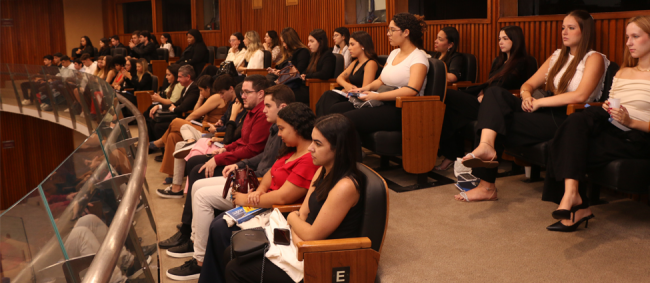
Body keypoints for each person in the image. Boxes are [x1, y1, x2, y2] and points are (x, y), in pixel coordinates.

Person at [457, 10, 610, 202]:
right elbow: (527, 84)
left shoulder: (594, 58)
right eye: (563, 27)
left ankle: (487, 186)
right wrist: (527, 95)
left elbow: (580, 95)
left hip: (568, 118)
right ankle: (486, 146)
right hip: (543, 110)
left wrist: (539, 102)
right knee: (495, 94)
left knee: (494, 122)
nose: (564, 32)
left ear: (585, 32)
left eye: (571, 28)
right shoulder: (557, 56)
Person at [165, 93, 308, 281]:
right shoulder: (290, 148)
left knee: (217, 222)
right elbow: (270, 172)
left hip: (275, 211)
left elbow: (283, 197)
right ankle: (192, 244)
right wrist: (258, 190)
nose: (279, 133)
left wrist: (247, 198)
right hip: (261, 194)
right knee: (200, 184)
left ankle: (201, 263)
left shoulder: (305, 158)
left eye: (282, 129)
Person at [214, 113, 365, 282]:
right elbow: (304, 214)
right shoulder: (323, 170)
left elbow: (311, 234)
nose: (310, 148)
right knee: (231, 252)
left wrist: (293, 219)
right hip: (302, 245)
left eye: (318, 143)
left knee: (236, 270)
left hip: (321, 259)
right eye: (312, 141)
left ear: (339, 148)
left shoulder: (345, 186)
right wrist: (298, 223)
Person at [542, 15, 650, 232]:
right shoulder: (623, 71)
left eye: (635, 37)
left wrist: (631, 121)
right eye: (627, 37)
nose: (628, 42)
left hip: (638, 135)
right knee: (577, 121)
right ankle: (573, 196)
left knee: (564, 144)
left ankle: (576, 204)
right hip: (612, 126)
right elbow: (610, 104)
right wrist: (610, 112)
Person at [158, 75, 271, 251]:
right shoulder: (251, 111)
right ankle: (188, 226)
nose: (243, 96)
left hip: (247, 166)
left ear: (261, 94)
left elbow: (252, 150)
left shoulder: (262, 114)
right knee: (194, 161)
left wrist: (219, 157)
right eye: (242, 92)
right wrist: (225, 149)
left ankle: (188, 232)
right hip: (239, 158)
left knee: (197, 170)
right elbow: (241, 141)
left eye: (247, 92)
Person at [435, 25, 537, 170]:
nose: (500, 42)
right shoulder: (499, 61)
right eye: (499, 39)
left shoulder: (524, 61)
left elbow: (521, 87)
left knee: (450, 97)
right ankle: (453, 155)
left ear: (516, 40)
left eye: (505, 39)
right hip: (483, 100)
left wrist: (489, 95)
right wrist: (483, 93)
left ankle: (457, 157)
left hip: (499, 106)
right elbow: (489, 83)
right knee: (447, 104)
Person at [331, 13, 429, 137]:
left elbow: (412, 90)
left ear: (406, 32)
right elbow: (381, 80)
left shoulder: (418, 57)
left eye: (392, 30)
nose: (388, 34)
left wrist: (377, 96)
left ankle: (350, 154)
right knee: (335, 110)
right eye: (388, 30)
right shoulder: (394, 53)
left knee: (347, 119)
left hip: (402, 108)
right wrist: (365, 89)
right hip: (383, 102)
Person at [154, 75, 228, 189]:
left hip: (208, 131)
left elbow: (194, 115)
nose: (201, 93)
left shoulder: (216, 97)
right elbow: (195, 112)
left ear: (208, 88)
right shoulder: (208, 98)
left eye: (201, 90)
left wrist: (184, 123)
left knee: (176, 122)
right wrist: (200, 98)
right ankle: (172, 175)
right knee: (173, 136)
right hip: (203, 127)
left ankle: (159, 143)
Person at [315, 30, 381, 116]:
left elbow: (364, 91)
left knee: (331, 103)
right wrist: (347, 86)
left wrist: (348, 90)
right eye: (349, 44)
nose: (349, 48)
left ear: (363, 45)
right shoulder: (355, 62)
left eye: (352, 44)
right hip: (351, 95)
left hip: (359, 100)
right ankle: (320, 124)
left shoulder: (370, 63)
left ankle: (322, 125)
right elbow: (339, 78)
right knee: (327, 95)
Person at [146, 65, 200, 142]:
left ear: (188, 77)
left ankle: (162, 149)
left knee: (158, 126)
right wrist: (159, 106)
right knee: (152, 120)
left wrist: (174, 109)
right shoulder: (186, 88)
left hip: (185, 118)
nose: (178, 79)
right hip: (178, 115)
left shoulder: (194, 88)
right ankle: (158, 148)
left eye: (180, 77)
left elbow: (184, 107)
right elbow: (177, 103)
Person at [292, 29, 336, 104]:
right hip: (309, 86)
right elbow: (307, 70)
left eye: (312, 41)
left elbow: (324, 74)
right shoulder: (313, 55)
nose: (308, 44)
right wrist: (301, 74)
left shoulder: (328, 55)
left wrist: (307, 76)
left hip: (317, 88)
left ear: (320, 42)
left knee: (290, 95)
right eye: (309, 41)